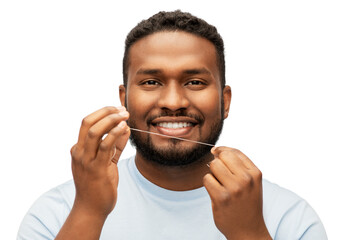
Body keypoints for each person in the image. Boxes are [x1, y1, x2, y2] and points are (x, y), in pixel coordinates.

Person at [17, 10, 327, 240]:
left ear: (225, 101)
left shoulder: (290, 219)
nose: (174, 100)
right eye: (151, 81)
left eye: (195, 81)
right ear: (124, 99)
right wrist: (88, 211)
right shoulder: (56, 213)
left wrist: (249, 233)